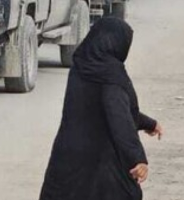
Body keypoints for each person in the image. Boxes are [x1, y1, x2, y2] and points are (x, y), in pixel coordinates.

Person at [38, 18, 162, 200]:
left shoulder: (81, 66)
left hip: (68, 160)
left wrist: (149, 123)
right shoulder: (111, 76)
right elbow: (119, 118)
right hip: (101, 165)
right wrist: (137, 158)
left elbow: (97, 107)